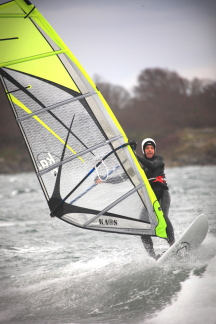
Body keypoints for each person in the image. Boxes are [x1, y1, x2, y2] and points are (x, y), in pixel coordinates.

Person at [135, 138, 175, 259]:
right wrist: (104, 179)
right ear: (144, 150)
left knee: (162, 216)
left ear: (154, 150)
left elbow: (152, 166)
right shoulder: (141, 168)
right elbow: (125, 176)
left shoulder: (159, 160)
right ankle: (152, 256)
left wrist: (135, 156)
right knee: (142, 226)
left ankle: (173, 244)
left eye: (152, 148)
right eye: (147, 148)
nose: (150, 150)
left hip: (162, 194)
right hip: (151, 199)